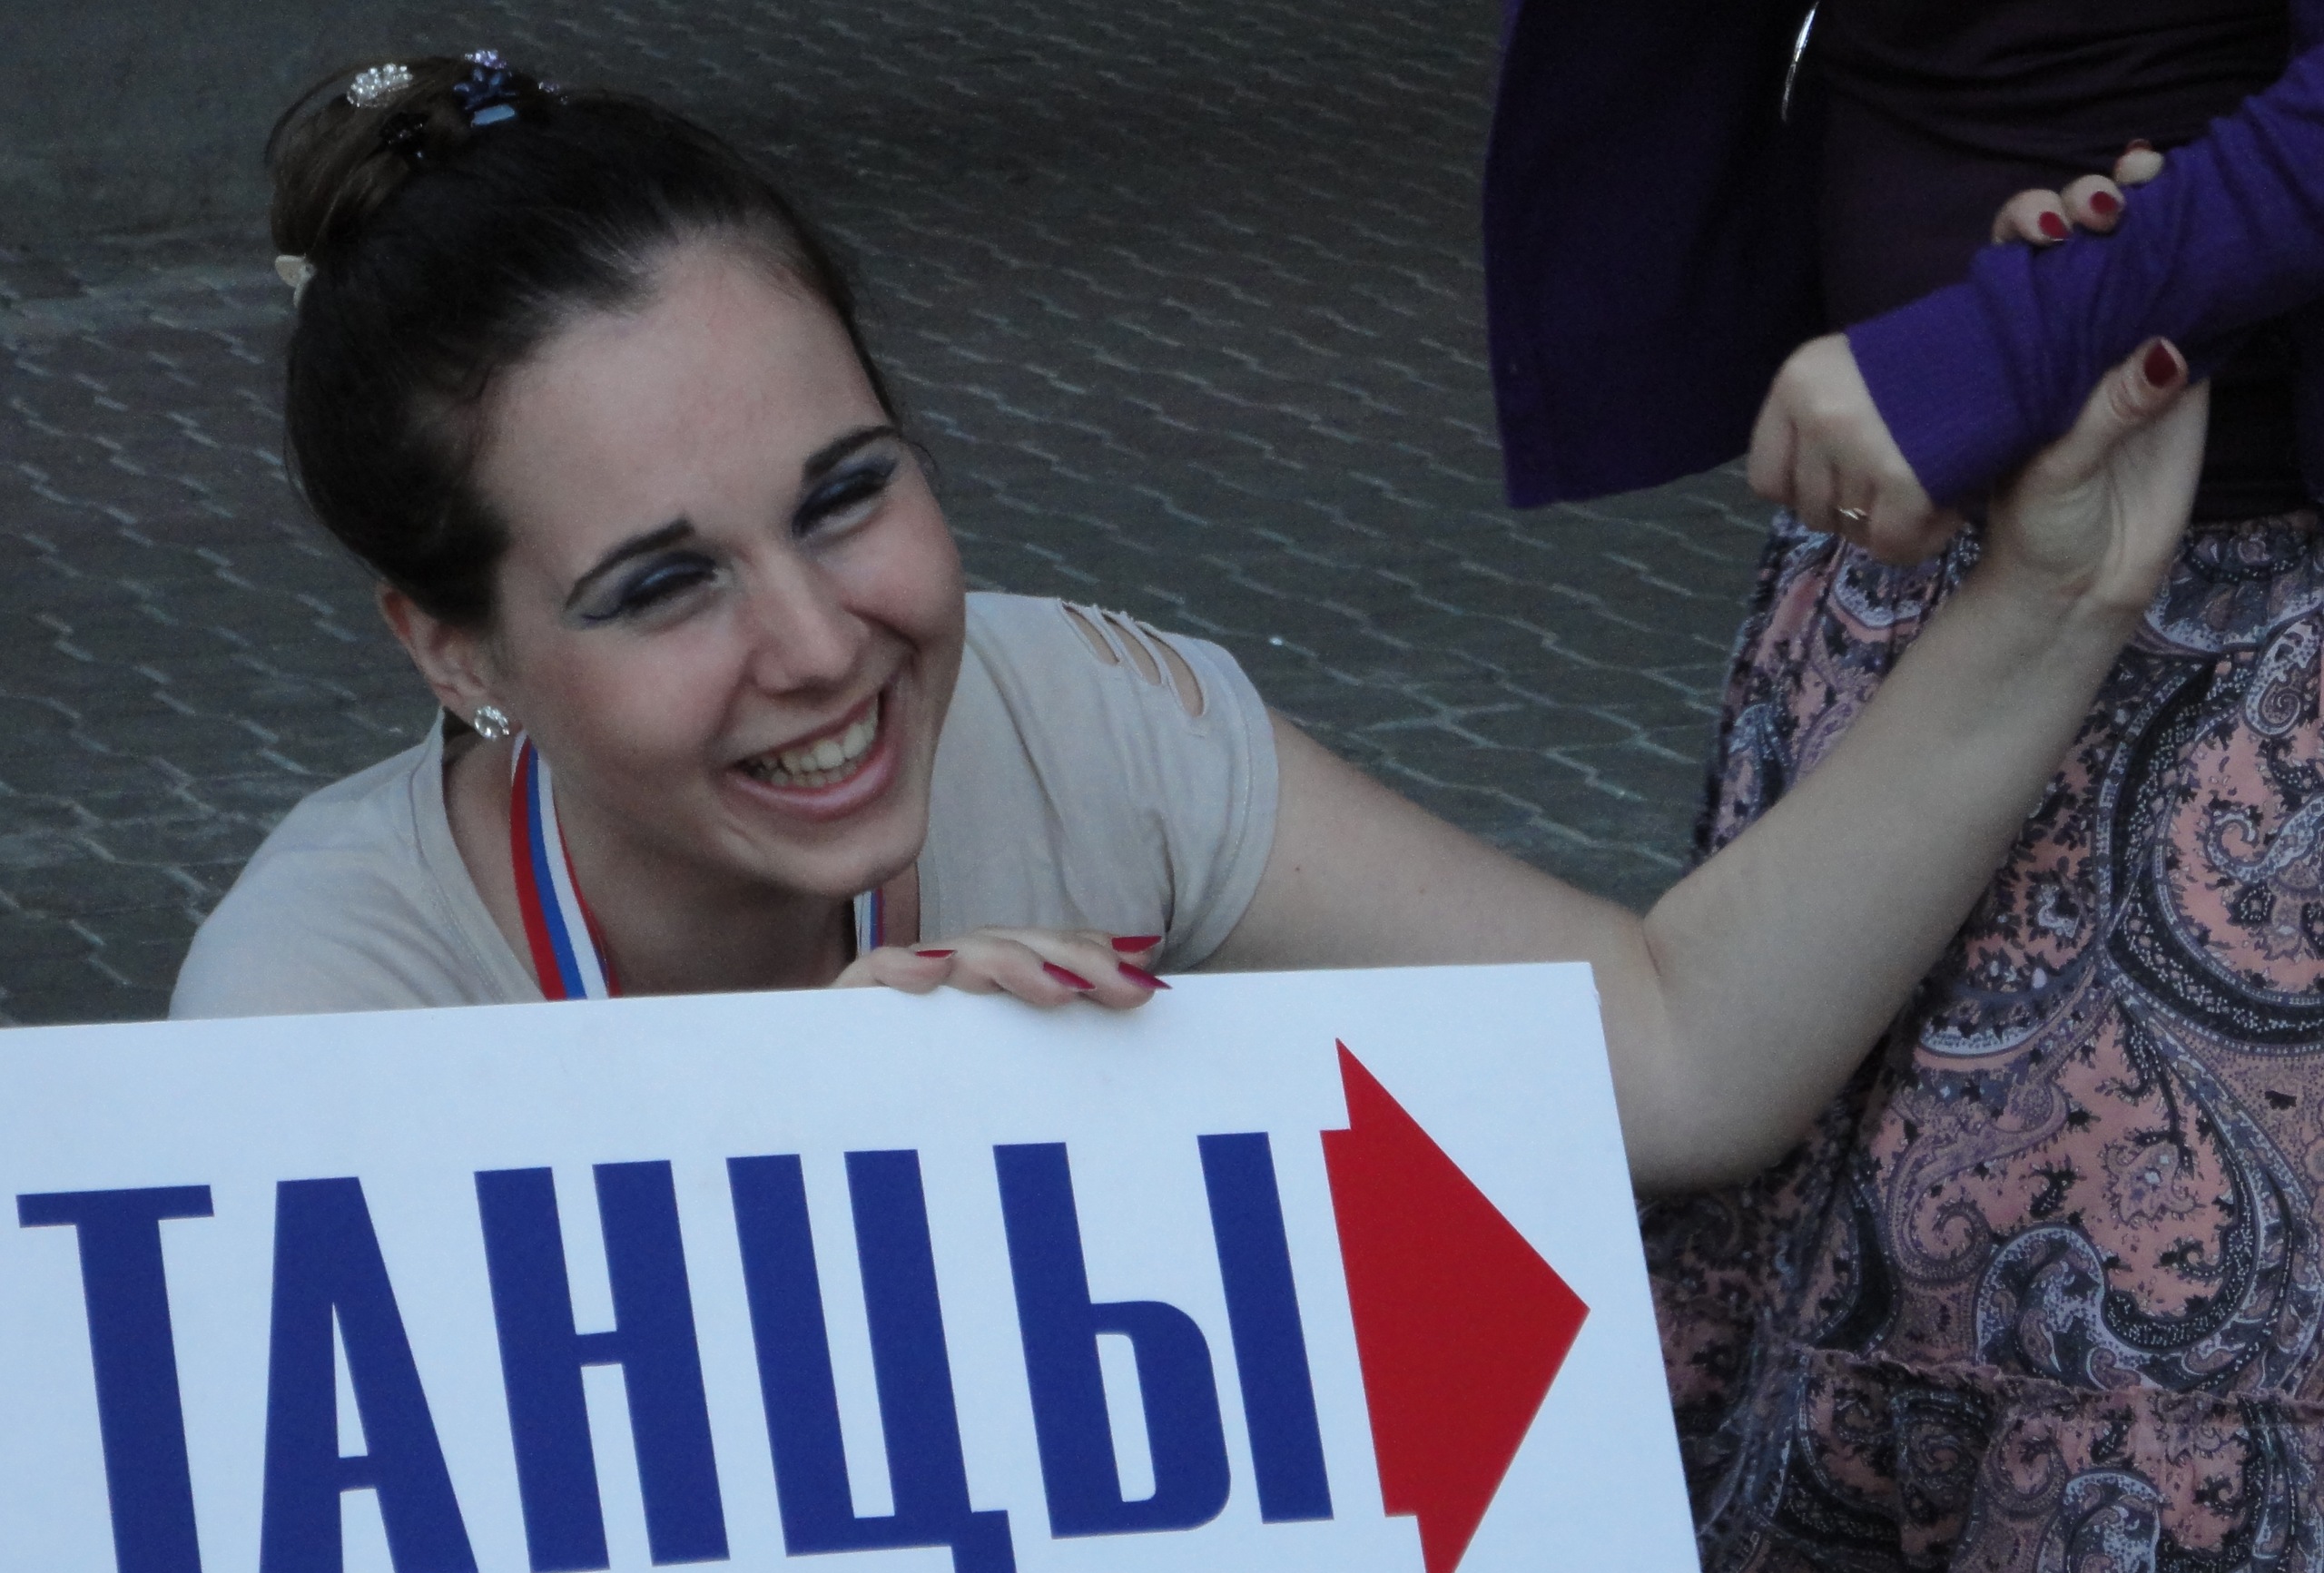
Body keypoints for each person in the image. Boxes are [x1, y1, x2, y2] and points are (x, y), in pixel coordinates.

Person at [176, 53, 2201, 1232]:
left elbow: (1670, 1056)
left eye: (847, 493)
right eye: (658, 585)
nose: (817, 643)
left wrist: (2055, 598)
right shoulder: (311, 1018)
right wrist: (809, 1188)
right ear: (454, 650)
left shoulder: (1069, 712)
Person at [1486, 5, 2324, 1573]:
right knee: (1815, 1318)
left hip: (2251, 668)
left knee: (2152, 1391)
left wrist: (2031, 331)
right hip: (1893, 596)